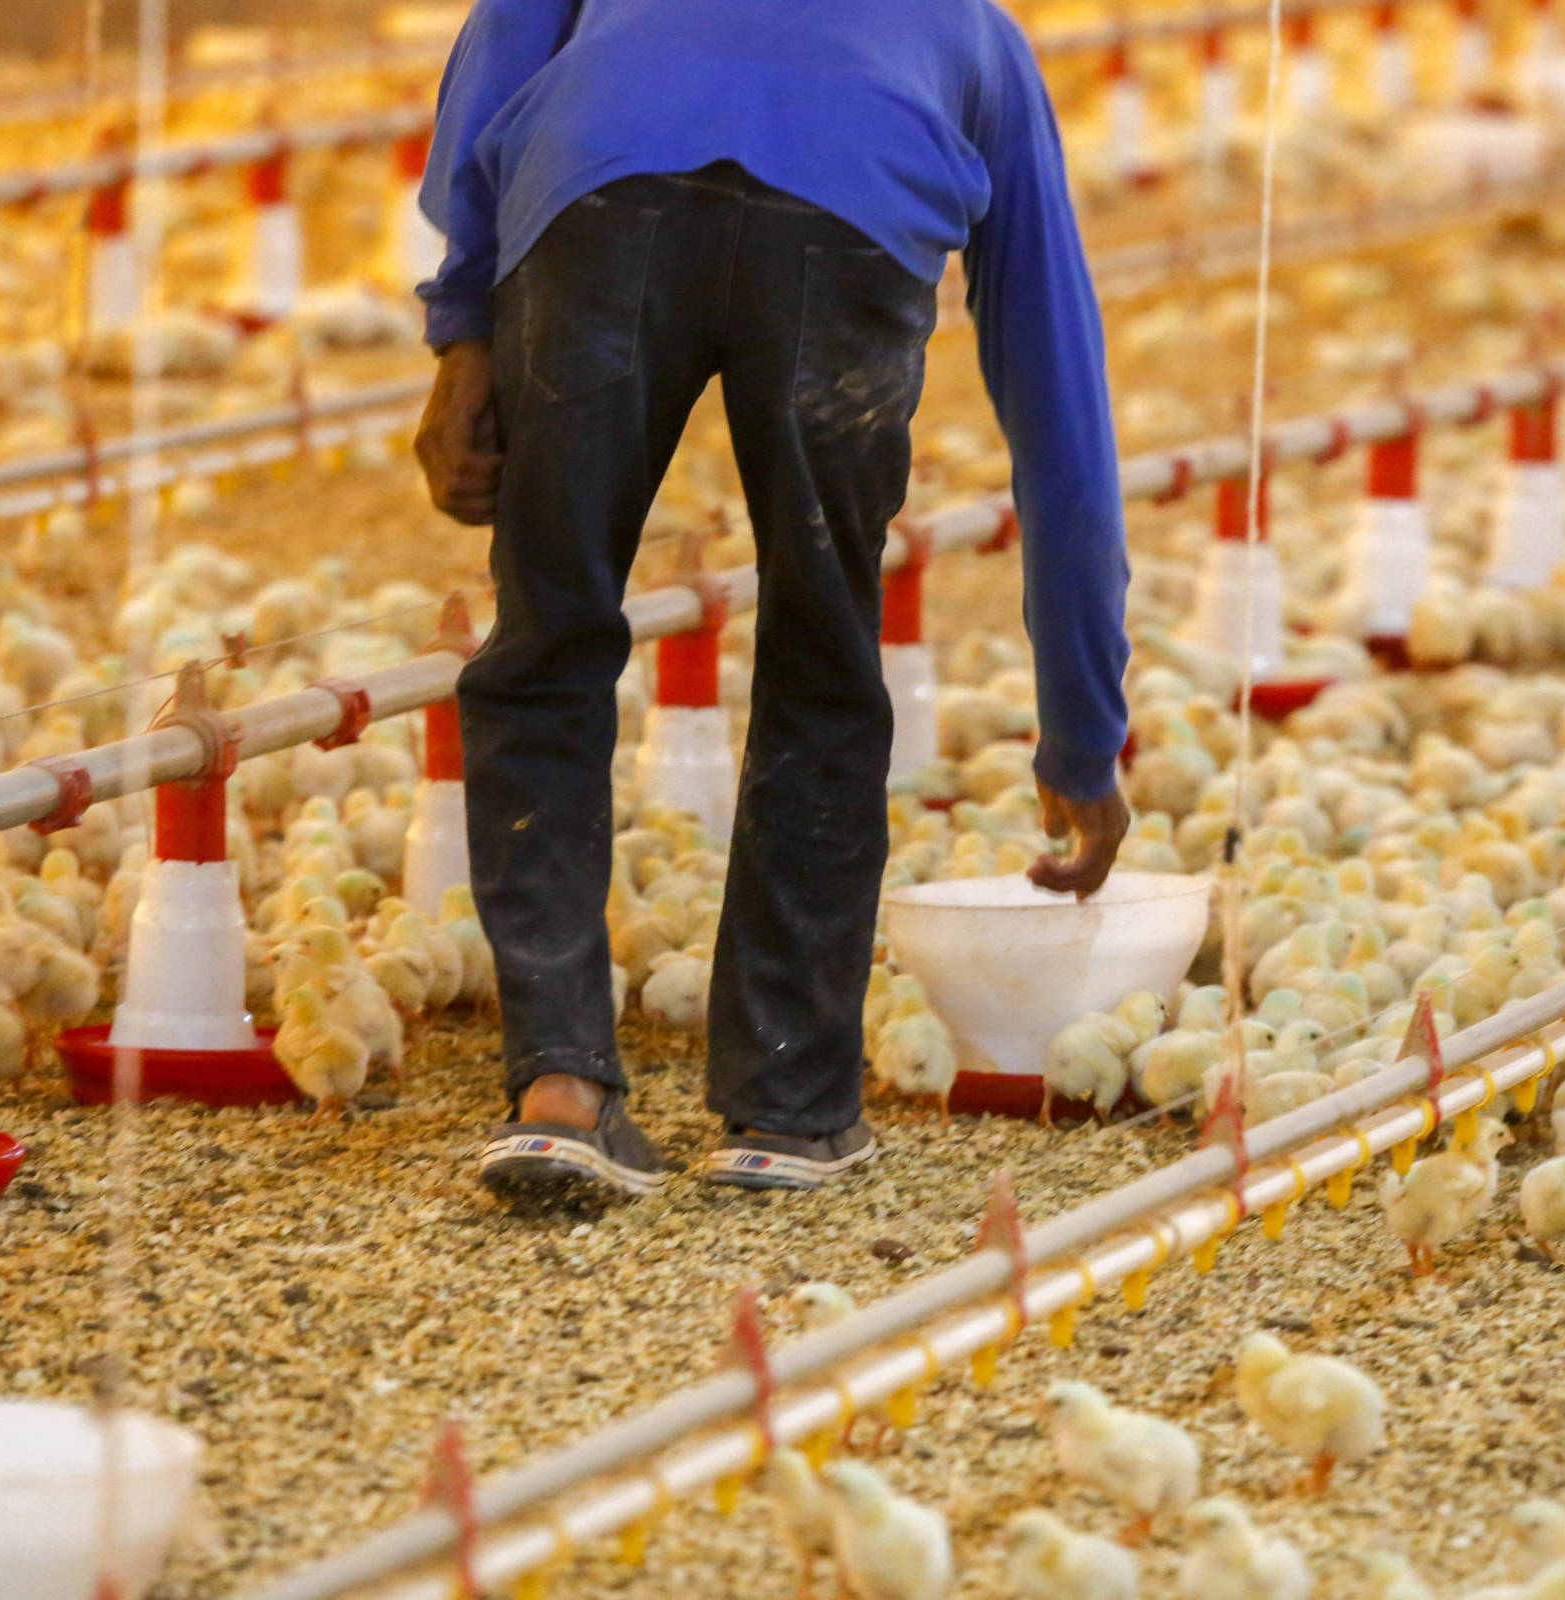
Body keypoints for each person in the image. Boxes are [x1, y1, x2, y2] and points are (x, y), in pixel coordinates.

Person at [413, 0, 1132, 1202]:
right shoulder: (980, 38)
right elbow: (1059, 411)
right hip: (848, 218)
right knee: (821, 644)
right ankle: (788, 1111)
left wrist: (464, 326)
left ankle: (561, 1088)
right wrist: (1083, 733)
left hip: (598, 188)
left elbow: (501, 44)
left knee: (550, 632)